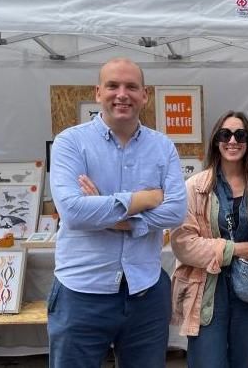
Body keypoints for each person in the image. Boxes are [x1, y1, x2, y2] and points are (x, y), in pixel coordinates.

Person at [48, 58, 187, 368]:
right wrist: (145, 198)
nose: (122, 94)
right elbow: (72, 212)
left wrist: (112, 216)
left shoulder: (162, 147)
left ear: (145, 95)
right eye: (113, 86)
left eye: (131, 87)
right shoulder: (70, 143)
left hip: (145, 292)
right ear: (98, 92)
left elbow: (176, 212)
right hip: (82, 293)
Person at [170, 111, 248, 368]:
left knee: (244, 362)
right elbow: (182, 243)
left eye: (240, 134)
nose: (232, 141)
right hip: (207, 288)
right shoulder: (196, 187)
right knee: (207, 361)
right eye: (226, 134)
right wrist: (233, 250)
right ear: (215, 140)